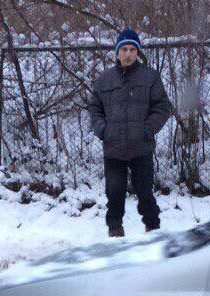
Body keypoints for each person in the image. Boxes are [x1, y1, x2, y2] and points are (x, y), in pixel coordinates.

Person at [89, 28, 173, 237]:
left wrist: (147, 129)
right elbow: (94, 108)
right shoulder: (104, 79)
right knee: (114, 194)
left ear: (137, 53)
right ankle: (115, 232)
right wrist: (103, 130)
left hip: (140, 147)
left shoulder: (150, 77)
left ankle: (153, 231)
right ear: (117, 53)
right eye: (124, 49)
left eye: (132, 50)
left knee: (145, 194)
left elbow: (162, 108)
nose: (127, 54)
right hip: (113, 148)